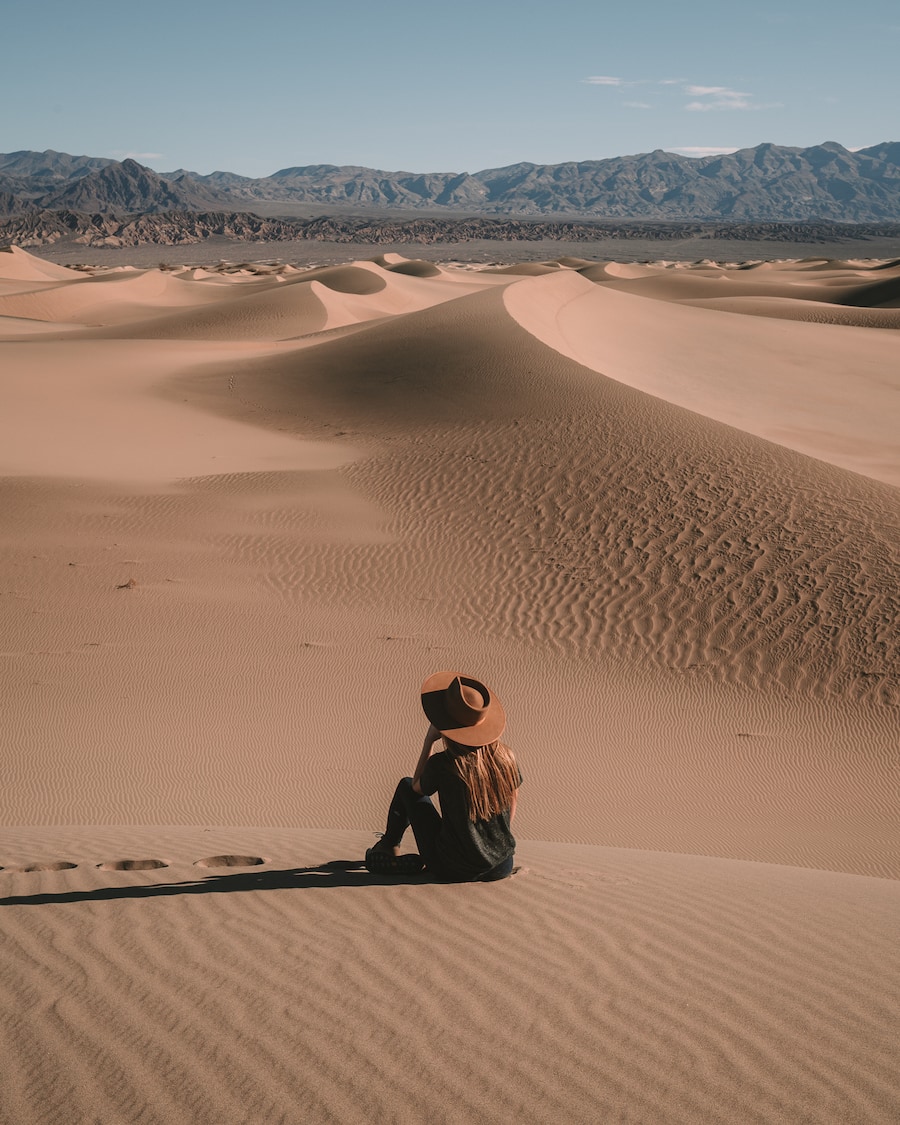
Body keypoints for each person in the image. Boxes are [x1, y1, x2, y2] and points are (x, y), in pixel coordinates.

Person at [366, 671, 521, 881]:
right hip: (501, 866)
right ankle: (390, 848)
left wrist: (429, 740)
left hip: (453, 868)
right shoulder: (506, 758)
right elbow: (513, 799)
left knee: (406, 785)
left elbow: (416, 788)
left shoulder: (445, 764)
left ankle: (389, 846)